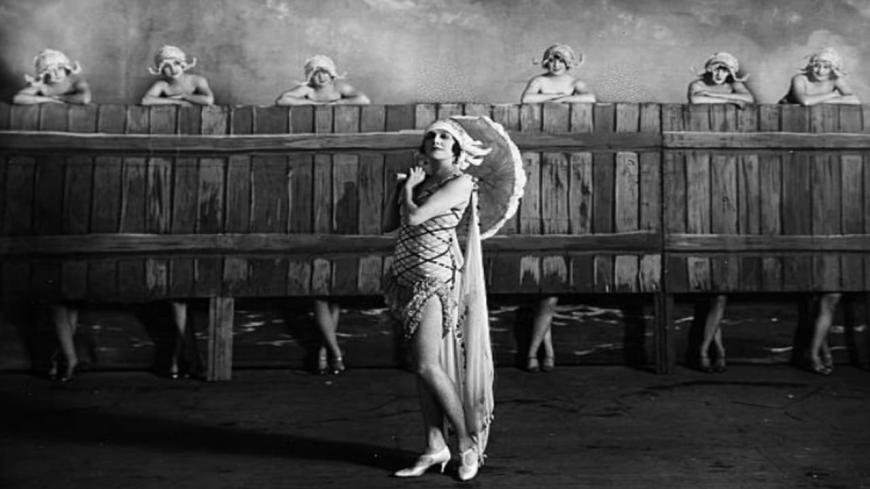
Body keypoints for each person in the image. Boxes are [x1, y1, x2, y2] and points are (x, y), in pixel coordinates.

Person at [382, 118, 495, 481]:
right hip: (405, 277)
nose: (437, 139)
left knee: (427, 364)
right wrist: (400, 188)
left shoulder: (461, 181)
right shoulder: (420, 180)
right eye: (431, 135)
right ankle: (434, 446)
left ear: (457, 149)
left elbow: (415, 218)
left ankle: (466, 445)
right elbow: (388, 225)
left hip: (434, 279)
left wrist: (408, 189)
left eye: (445, 136)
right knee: (421, 365)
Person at [686, 53, 756, 373]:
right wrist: (729, 99)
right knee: (711, 290)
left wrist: (720, 96)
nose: (718, 73)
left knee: (720, 291)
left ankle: (709, 348)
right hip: (703, 215)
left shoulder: (735, 186)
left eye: (724, 70)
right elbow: (696, 101)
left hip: (726, 218)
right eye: (715, 68)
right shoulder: (696, 84)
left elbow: (749, 101)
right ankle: (711, 348)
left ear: (731, 73)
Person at [275, 54, 370, 106]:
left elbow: (364, 100)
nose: (321, 77)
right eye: (316, 74)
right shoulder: (308, 88)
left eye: (325, 73)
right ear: (310, 78)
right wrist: (313, 103)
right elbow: (282, 100)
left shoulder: (338, 87)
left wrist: (337, 103)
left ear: (331, 74)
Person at [779, 47, 859, 106]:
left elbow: (854, 100)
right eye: (816, 66)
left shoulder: (835, 79)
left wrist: (821, 101)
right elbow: (805, 102)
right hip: (784, 113)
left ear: (832, 69)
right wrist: (831, 95)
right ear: (811, 66)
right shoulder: (799, 79)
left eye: (826, 67)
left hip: (813, 115)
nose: (820, 71)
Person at [520, 43, 596, 104]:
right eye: (551, 61)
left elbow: (591, 98)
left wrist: (564, 98)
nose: (556, 65)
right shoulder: (539, 80)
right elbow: (526, 99)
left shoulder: (574, 81)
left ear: (567, 63)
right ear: (546, 63)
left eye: (561, 61)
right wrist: (556, 96)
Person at [141, 45, 214, 106]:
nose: (173, 69)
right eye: (166, 66)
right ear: (162, 71)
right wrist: (177, 102)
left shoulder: (196, 80)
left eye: (176, 63)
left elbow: (209, 100)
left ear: (182, 64)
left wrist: (184, 96)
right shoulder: (163, 85)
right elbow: (145, 100)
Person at [13, 48, 91, 105]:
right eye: (51, 71)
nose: (57, 73)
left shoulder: (75, 80)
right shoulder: (42, 84)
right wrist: (48, 99)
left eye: (60, 68)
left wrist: (60, 98)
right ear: (44, 74)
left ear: (66, 69)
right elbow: (17, 98)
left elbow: (85, 99)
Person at [688, 52, 755, 108]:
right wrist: (731, 101)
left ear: (729, 73)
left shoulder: (734, 84)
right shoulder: (698, 84)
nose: (719, 74)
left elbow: (749, 98)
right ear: (710, 71)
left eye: (724, 71)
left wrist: (710, 94)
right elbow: (695, 100)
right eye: (716, 70)